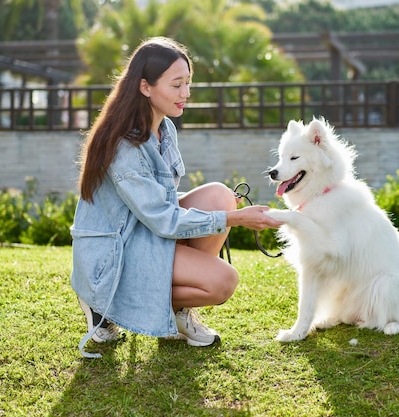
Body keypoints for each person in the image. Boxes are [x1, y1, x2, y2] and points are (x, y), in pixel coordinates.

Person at [70, 36, 282, 357]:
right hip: (115, 253)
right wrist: (234, 220)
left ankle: (176, 314)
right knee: (223, 282)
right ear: (145, 87)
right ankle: (105, 303)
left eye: (188, 83)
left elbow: (159, 202)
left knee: (220, 196)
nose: (186, 94)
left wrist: (224, 212)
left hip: (145, 230)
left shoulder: (165, 128)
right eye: (176, 85)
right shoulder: (124, 147)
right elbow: (164, 220)